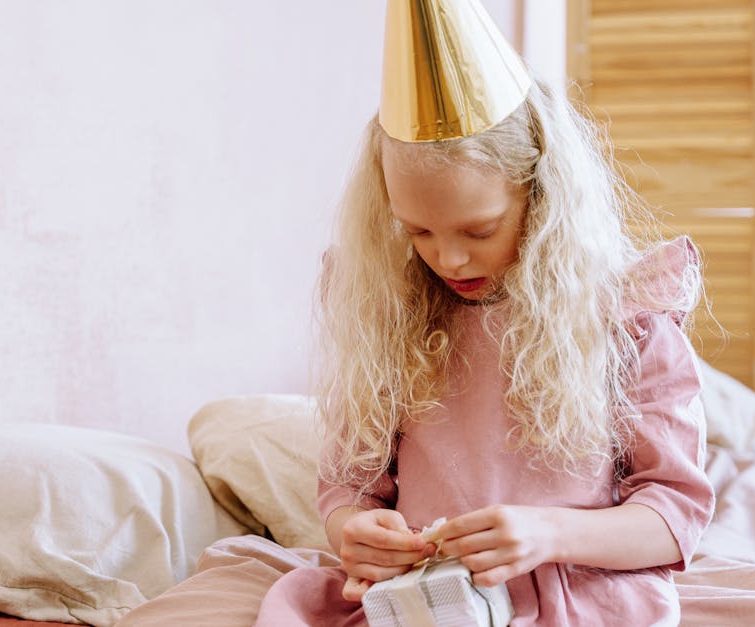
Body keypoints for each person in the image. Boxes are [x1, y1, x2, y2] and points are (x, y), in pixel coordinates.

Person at [253, 1, 715, 625]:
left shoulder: (627, 313)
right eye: (417, 230)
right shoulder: (391, 310)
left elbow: (675, 517)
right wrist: (354, 532)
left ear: (543, 196)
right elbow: (348, 490)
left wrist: (547, 533)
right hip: (421, 602)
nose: (449, 258)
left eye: (481, 229)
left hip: (581, 597)